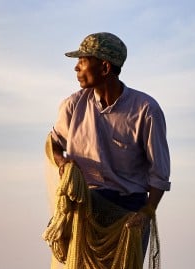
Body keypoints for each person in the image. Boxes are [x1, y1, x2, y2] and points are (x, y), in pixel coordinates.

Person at [49, 32, 170, 243]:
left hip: (129, 210)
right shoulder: (72, 106)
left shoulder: (146, 110)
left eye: (83, 61)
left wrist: (147, 212)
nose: (76, 68)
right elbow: (54, 144)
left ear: (105, 68)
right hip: (85, 208)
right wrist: (62, 163)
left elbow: (159, 173)